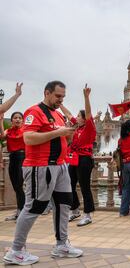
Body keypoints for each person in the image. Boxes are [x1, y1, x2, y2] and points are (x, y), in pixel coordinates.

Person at [3, 81, 83, 266]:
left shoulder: (57, 115)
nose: (61, 99)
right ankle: (16, 250)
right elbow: (29, 138)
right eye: (58, 96)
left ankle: (61, 245)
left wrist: (69, 133)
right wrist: (59, 133)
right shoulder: (34, 111)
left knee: (65, 204)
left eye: (63, 96)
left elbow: (65, 137)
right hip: (41, 166)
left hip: (60, 166)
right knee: (35, 207)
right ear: (47, 93)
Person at [60, 85, 96, 226]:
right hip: (74, 158)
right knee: (69, 184)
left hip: (85, 159)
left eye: (78, 116)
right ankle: (75, 210)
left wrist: (86, 97)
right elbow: (68, 114)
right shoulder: (77, 128)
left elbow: (88, 113)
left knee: (85, 186)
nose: (76, 117)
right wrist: (60, 104)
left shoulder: (89, 127)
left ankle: (88, 214)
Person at [0, 112, 25, 221]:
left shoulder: (25, 130)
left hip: (22, 157)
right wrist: (1, 121)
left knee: (20, 186)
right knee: (16, 186)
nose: (18, 120)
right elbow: (2, 136)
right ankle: (19, 211)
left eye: (20, 118)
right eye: (15, 118)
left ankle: (22, 212)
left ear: (23, 120)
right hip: (12, 158)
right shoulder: (8, 131)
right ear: (12, 120)